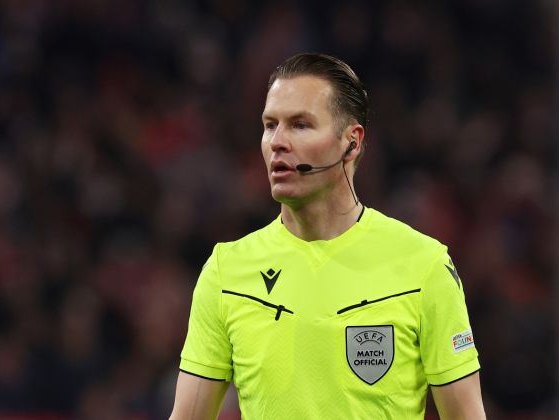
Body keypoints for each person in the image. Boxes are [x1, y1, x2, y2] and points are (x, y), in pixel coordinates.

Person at [169, 53, 486, 419]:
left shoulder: (424, 265)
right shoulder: (226, 271)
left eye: (300, 125)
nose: (277, 142)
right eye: (270, 125)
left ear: (350, 142)